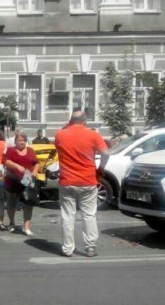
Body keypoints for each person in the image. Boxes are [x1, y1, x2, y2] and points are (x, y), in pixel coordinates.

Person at [54, 111, 109, 258]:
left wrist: (67, 125)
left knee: (67, 216)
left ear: (70, 121)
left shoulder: (60, 134)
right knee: (89, 215)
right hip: (87, 180)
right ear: (85, 122)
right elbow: (106, 153)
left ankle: (67, 249)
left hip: (67, 181)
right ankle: (90, 247)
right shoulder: (93, 134)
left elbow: (58, 143)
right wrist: (101, 168)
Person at [3, 132, 39, 236]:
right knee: (11, 205)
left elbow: (36, 163)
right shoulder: (11, 150)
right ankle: (12, 223)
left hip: (27, 182)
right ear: (15, 142)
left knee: (28, 204)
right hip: (12, 181)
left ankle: (26, 227)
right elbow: (5, 161)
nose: (21, 142)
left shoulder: (30, 150)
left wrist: (35, 171)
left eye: (23, 140)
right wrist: (17, 166)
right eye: (19, 140)